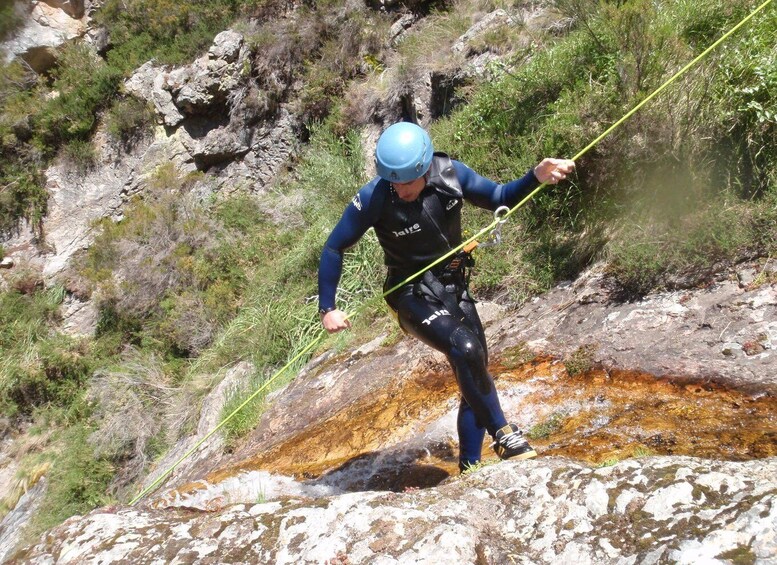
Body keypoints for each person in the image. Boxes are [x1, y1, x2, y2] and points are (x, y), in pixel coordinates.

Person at [318, 122, 574, 472]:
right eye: (394, 181)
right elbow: (334, 247)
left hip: (452, 285)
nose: (401, 189)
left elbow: (499, 197)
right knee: (465, 349)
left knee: (473, 367)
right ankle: (504, 433)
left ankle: (470, 467)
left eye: (407, 181)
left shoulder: (450, 174)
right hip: (409, 294)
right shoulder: (374, 198)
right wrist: (327, 308)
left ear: (424, 169)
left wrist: (536, 176)